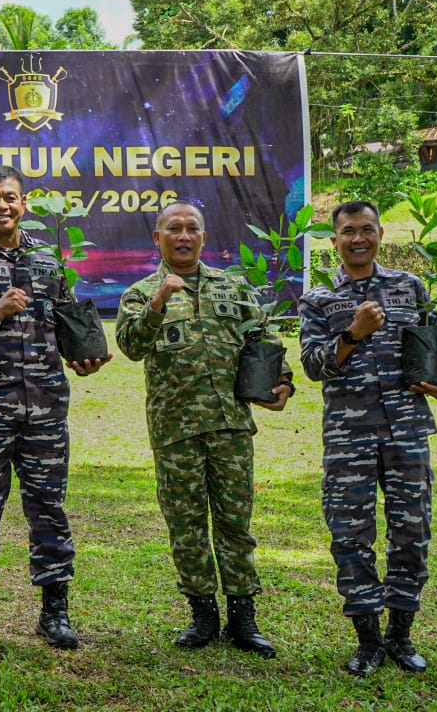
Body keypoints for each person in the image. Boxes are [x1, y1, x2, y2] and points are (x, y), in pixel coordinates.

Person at [0, 165, 111, 652]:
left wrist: (84, 358)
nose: (2, 205)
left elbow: (67, 324)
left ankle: (55, 613)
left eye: (10, 197)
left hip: (45, 408)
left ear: (24, 203)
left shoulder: (49, 260)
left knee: (49, 508)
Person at [115, 200, 292, 658]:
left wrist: (283, 382)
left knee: (235, 523)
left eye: (191, 228)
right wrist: (159, 300)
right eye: (173, 228)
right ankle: (202, 614)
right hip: (175, 429)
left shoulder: (233, 288)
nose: (183, 236)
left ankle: (243, 616)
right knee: (186, 524)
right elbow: (131, 345)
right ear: (158, 238)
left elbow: (263, 337)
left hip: (231, 425)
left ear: (203, 237)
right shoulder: (139, 293)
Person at [298, 200, 437, 678]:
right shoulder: (318, 299)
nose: (359, 239)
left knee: (411, 533)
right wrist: (353, 333)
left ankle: (401, 634)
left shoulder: (409, 287)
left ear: (380, 234)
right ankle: (368, 640)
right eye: (349, 231)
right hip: (348, 437)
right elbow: (313, 365)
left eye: (367, 230)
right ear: (334, 240)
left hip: (407, 431)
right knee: (350, 536)